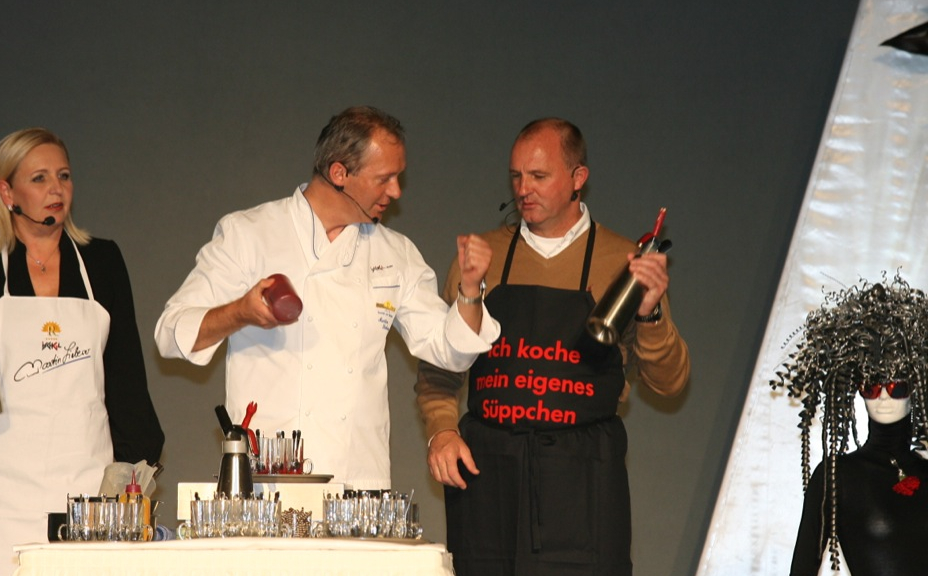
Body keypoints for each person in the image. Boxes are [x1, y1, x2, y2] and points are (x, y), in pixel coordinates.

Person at [154, 106, 500, 490]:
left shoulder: (395, 253)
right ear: (339, 174)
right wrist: (240, 313)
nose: (396, 192)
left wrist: (470, 290)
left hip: (358, 485)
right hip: (269, 481)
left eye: (398, 177)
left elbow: (449, 351)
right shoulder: (249, 234)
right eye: (384, 178)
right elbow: (171, 334)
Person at [414, 118, 690, 575]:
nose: (523, 189)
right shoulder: (481, 260)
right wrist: (442, 431)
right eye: (516, 176)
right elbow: (439, 371)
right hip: (489, 477)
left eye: (539, 176)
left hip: (582, 481)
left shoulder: (622, 262)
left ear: (578, 178)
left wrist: (650, 314)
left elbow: (670, 383)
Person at [0, 128, 165, 576]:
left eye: (63, 176)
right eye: (40, 178)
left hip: (82, 494)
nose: (56, 189)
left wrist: (134, 473)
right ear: (7, 193)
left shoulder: (102, 263)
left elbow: (127, 382)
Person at [771, 277, 928, 576]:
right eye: (871, 386)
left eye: (896, 386)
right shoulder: (837, 476)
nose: (883, 397)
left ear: (917, 389)